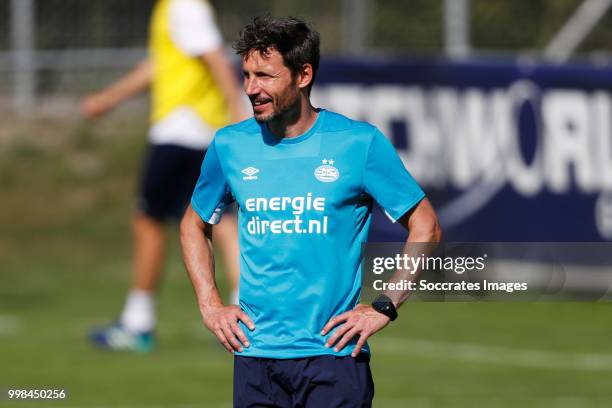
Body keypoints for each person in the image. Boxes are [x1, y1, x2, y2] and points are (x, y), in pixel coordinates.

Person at [180, 16, 442, 407]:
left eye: (265, 76)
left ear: (303, 75)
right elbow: (193, 225)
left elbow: (426, 226)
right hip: (254, 359)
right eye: (247, 75)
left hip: (334, 359)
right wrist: (210, 304)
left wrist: (386, 305)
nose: (251, 89)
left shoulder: (358, 143)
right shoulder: (230, 146)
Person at [81, 0, 246, 352]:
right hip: (200, 130)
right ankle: (245, 315)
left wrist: (238, 113)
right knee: (223, 221)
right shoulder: (172, 8)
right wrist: (110, 99)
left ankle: (138, 322)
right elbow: (161, 65)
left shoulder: (183, 5)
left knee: (149, 220)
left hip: (181, 130)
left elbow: (214, 57)